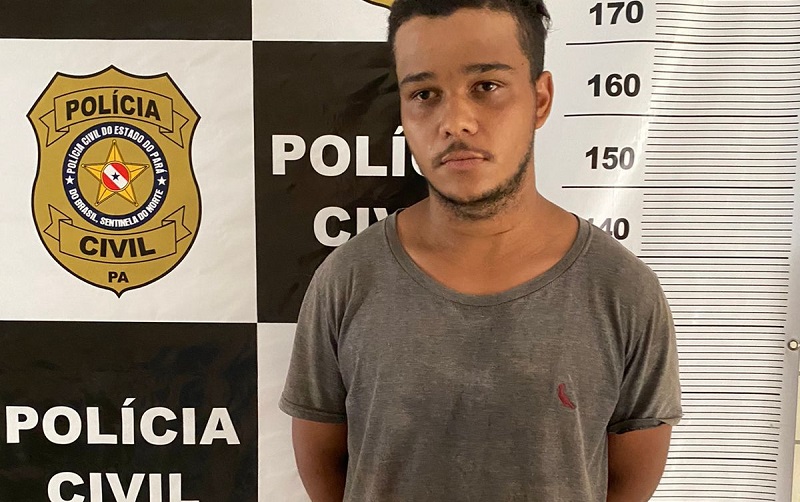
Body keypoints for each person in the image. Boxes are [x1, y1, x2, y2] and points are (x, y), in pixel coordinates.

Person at [279, 1, 683, 500]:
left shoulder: (623, 290)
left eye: (486, 86)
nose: (456, 122)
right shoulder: (347, 280)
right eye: (424, 94)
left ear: (540, 99)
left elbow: (630, 479)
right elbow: (323, 464)